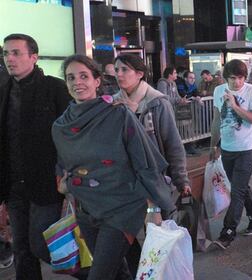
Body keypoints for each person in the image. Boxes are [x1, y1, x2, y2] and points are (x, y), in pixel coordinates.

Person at [53, 54, 174, 280]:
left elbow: (145, 162)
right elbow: (63, 165)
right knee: (116, 272)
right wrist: (65, 183)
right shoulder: (61, 126)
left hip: (121, 209)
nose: (77, 82)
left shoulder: (118, 115)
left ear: (97, 81)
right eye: (70, 78)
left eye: (83, 76)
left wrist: (154, 208)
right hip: (86, 210)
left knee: (100, 275)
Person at [113, 53, 191, 275]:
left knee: (155, 236)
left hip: (154, 185)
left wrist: (181, 179)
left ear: (139, 74)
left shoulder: (157, 103)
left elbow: (173, 144)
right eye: (117, 69)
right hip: (124, 184)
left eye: (124, 70)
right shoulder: (113, 103)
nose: (119, 74)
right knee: (123, 239)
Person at [0, 34, 71, 279]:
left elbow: (70, 135)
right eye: (6, 53)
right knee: (21, 248)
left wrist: (65, 172)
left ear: (34, 56)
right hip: (13, 184)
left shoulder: (55, 88)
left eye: (16, 53)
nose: (10, 58)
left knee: (41, 244)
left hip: (45, 181)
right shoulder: (4, 91)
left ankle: (101, 272)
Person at [209, 59, 252, 249]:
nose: (237, 82)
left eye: (241, 78)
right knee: (240, 186)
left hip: (247, 149)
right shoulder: (218, 91)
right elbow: (217, 120)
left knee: (237, 191)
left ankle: (228, 232)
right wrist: (213, 145)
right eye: (233, 78)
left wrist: (235, 106)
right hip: (227, 148)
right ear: (226, 78)